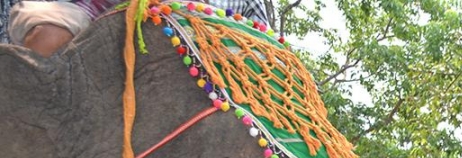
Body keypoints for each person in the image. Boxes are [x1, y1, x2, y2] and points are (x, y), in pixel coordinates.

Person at [3, 0, 270, 55]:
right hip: (106, 21)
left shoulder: (251, 3)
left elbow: (264, 51)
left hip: (210, 58)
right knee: (47, 38)